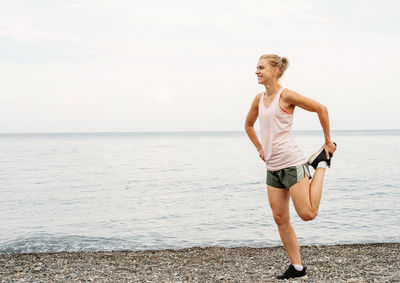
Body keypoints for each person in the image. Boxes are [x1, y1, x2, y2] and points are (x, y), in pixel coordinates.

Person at [244, 54, 337, 280]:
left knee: (308, 214)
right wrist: (259, 148)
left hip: (293, 164)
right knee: (280, 218)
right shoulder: (258, 99)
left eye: (261, 67)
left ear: (275, 70)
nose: (257, 71)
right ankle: (297, 268)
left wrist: (327, 141)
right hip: (273, 168)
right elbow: (248, 125)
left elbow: (321, 109)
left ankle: (321, 164)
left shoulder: (286, 96)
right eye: (256, 67)